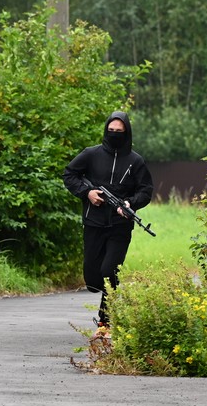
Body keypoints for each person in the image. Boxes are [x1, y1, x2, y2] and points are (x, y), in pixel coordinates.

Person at [63, 111, 153, 327]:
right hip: (93, 223)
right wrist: (87, 193)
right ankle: (109, 306)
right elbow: (69, 175)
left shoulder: (135, 161)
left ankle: (106, 319)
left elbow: (145, 190)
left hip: (120, 226)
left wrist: (130, 203)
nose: (114, 134)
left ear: (127, 133)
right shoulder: (91, 154)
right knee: (93, 280)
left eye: (119, 131)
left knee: (109, 271)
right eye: (111, 130)